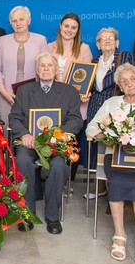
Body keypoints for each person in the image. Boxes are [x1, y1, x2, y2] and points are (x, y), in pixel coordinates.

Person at [86, 64, 135, 264]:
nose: (129, 84)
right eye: (124, 81)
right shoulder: (111, 103)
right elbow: (91, 127)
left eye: (133, 79)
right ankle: (119, 234)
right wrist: (108, 137)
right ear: (120, 86)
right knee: (116, 182)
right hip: (116, 157)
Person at [10, 53, 83, 235]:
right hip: (30, 143)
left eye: (50, 65)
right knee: (22, 161)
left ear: (56, 70)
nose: (46, 69)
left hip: (55, 145)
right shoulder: (24, 91)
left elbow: (76, 120)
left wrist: (58, 136)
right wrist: (24, 134)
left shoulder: (69, 92)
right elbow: (14, 117)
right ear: (37, 70)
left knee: (59, 166)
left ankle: (52, 216)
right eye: (42, 65)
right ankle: (27, 214)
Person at [85, 27, 134, 198]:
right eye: (103, 39)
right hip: (95, 104)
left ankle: (116, 185)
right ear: (98, 44)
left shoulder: (124, 57)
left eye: (111, 38)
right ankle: (99, 186)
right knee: (96, 142)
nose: (107, 41)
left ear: (117, 42)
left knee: (113, 143)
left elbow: (129, 81)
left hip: (115, 105)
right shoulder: (94, 60)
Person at [48, 13, 93, 171]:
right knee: (51, 142)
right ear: (60, 27)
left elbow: (88, 76)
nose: (69, 30)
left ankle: (71, 180)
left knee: (72, 144)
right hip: (52, 102)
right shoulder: (49, 47)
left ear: (77, 30)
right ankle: (52, 177)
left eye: (73, 27)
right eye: (66, 26)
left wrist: (86, 92)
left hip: (75, 103)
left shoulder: (84, 49)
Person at [0, 5, 49, 124]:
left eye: (21, 19)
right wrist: (5, 93)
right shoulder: (2, 41)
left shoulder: (40, 40)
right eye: (14, 21)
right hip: (6, 94)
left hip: (33, 95)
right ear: (11, 23)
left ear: (29, 20)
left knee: (31, 127)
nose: (18, 23)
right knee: (6, 128)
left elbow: (45, 69)